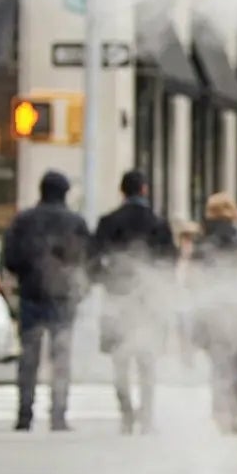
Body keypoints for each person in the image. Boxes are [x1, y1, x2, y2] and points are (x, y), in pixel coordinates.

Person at [0, 170, 91, 431]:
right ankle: (58, 414)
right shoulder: (75, 223)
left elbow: (10, 258)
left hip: (31, 294)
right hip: (63, 297)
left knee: (29, 357)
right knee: (61, 357)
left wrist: (26, 274)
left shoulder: (24, 221)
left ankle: (24, 413)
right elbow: (86, 259)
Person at [91, 170, 178, 434]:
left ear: (122, 191)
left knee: (120, 360)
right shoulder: (158, 224)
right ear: (144, 190)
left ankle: (126, 412)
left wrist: (106, 281)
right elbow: (169, 263)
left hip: (118, 298)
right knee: (147, 360)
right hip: (149, 301)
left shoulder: (108, 222)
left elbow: (93, 259)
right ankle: (147, 415)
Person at [190, 192, 237, 434]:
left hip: (212, 311)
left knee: (218, 366)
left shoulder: (202, 243)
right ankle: (234, 414)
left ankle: (219, 413)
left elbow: (195, 280)